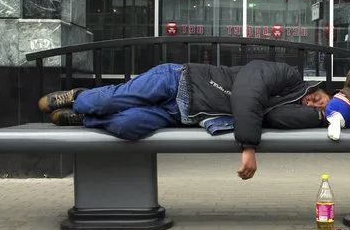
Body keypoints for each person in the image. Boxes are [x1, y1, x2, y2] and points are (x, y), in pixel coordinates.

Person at [37, 60, 331, 180]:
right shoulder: (288, 74)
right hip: (179, 81)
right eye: (317, 97)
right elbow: (247, 92)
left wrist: (317, 116)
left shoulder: (285, 109)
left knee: (127, 127)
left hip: (178, 115)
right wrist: (249, 146)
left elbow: (275, 118)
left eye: (317, 107)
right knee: (110, 100)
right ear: (314, 88)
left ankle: (85, 119)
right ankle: (80, 99)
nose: (312, 103)